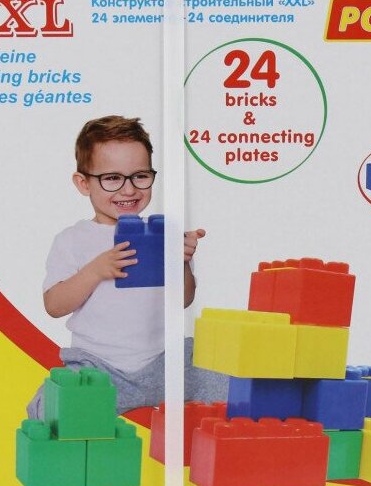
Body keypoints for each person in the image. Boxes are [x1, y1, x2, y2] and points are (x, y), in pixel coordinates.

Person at [27, 115, 227, 417]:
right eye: (112, 178)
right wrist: (95, 271)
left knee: (231, 382)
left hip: (164, 363)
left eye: (140, 176)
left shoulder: (161, 234)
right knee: (50, 411)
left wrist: (182, 263)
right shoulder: (73, 239)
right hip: (100, 368)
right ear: (83, 183)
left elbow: (183, 300)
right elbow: (54, 306)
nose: (129, 190)